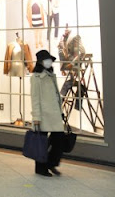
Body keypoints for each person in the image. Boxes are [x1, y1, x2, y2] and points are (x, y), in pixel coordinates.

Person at [31, 49, 65, 177]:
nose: (49, 62)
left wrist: (61, 112)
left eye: (50, 60)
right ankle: (40, 168)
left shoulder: (51, 75)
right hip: (43, 115)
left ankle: (51, 163)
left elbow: (57, 96)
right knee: (42, 142)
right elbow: (35, 98)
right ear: (40, 62)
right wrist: (36, 117)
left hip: (54, 114)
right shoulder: (36, 77)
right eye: (47, 60)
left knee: (58, 140)